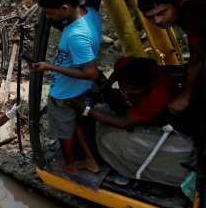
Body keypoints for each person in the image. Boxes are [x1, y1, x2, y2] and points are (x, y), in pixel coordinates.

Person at [66, 57, 194, 186]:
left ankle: (128, 168)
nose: (126, 90)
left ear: (151, 83)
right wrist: (107, 86)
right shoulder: (124, 65)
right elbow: (117, 74)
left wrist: (85, 109)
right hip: (138, 108)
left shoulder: (157, 96)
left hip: (163, 122)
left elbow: (123, 123)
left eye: (133, 88)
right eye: (124, 84)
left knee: (110, 139)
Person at [29, 0, 102, 175]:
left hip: (64, 93)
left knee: (64, 132)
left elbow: (91, 73)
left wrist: (49, 66)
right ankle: (90, 161)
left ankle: (70, 166)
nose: (47, 17)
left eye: (50, 13)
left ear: (65, 8)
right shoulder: (91, 12)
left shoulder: (76, 36)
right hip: (80, 89)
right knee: (75, 124)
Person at [137, 0, 206, 115]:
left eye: (162, 13)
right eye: (150, 17)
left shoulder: (194, 15)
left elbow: (197, 58)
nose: (157, 21)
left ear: (179, 1)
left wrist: (184, 98)